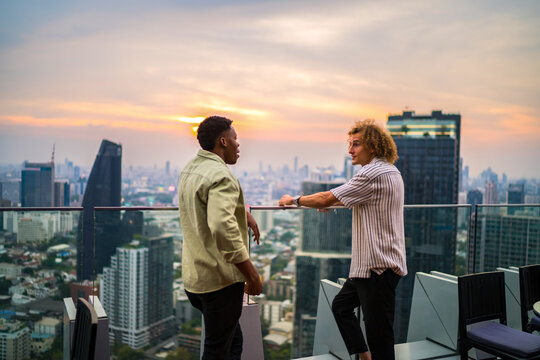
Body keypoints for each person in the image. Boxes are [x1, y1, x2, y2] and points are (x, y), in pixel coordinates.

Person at [279, 119, 407, 360]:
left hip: (376, 268)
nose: (350, 150)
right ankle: (363, 356)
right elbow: (361, 197)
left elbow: (326, 197)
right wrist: (335, 202)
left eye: (356, 144)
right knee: (341, 307)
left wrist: (293, 200)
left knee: (380, 336)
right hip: (374, 266)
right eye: (349, 144)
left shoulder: (371, 173)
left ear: (373, 145)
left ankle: (371, 356)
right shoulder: (390, 171)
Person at [178, 116, 263, 360]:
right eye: (235, 139)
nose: (239, 144)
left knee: (233, 343)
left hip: (195, 279)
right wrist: (252, 275)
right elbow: (222, 228)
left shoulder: (191, 168)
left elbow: (203, 207)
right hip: (219, 284)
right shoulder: (222, 176)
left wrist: (241, 212)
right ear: (223, 141)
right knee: (217, 351)